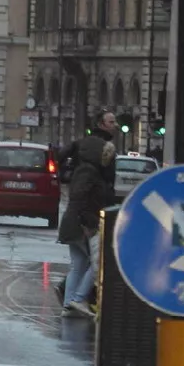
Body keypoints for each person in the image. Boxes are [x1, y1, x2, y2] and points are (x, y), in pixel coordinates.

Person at [57, 129, 115, 318]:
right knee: (99, 262)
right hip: (82, 225)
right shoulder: (89, 171)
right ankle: (79, 298)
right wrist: (88, 224)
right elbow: (80, 198)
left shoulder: (84, 169)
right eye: (106, 155)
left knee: (79, 264)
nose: (108, 159)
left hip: (73, 223)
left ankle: (68, 305)